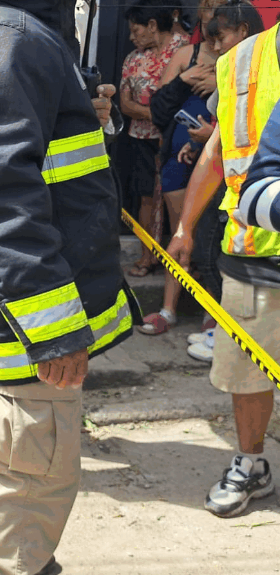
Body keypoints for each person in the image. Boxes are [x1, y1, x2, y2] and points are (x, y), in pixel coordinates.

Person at [0, 1, 139, 575]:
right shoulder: (9, 36)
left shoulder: (2, 36)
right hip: (28, 335)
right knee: (24, 498)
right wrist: (54, 331)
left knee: (1, 480)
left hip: (7, 322)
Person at [167, 0, 274, 518]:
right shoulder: (241, 62)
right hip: (254, 251)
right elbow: (219, 150)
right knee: (245, 373)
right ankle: (251, 464)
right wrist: (186, 225)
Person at [139, 0, 223, 335]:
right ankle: (168, 309)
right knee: (180, 234)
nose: (212, 15)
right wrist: (184, 80)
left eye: (220, 8)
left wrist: (219, 88)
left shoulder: (245, 60)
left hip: (218, 163)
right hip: (179, 160)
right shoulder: (185, 56)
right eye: (207, 8)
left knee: (211, 239)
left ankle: (211, 314)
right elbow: (158, 110)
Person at [121, 0, 190, 278]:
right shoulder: (133, 59)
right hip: (142, 138)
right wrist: (158, 114)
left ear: (152, 25)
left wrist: (151, 113)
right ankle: (147, 256)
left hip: (177, 139)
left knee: (178, 198)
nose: (131, 37)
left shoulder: (184, 50)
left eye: (136, 30)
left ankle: (181, 260)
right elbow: (125, 105)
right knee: (146, 197)